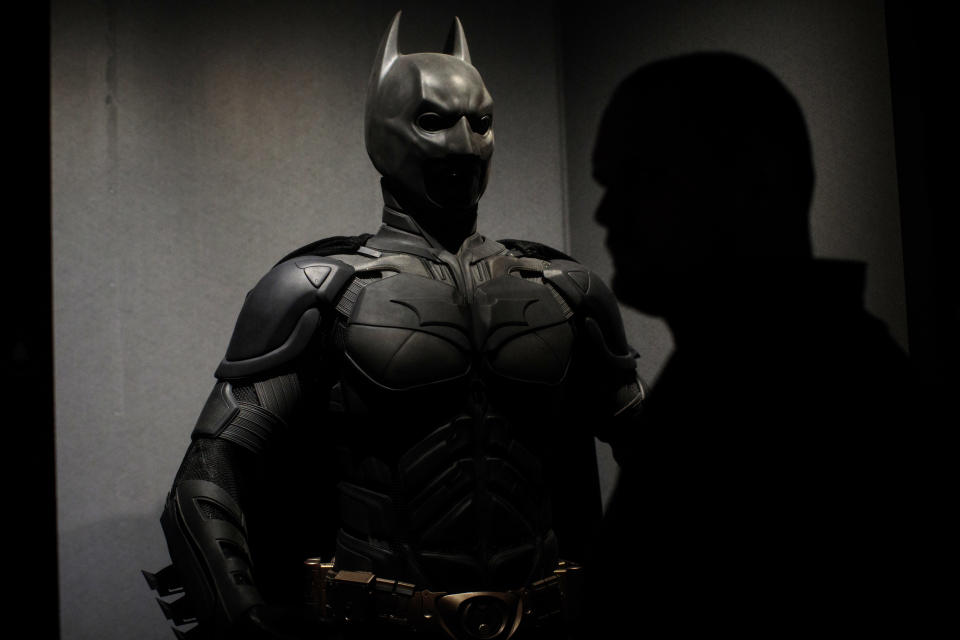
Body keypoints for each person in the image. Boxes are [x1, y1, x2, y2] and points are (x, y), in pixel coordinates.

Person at [145, 12, 643, 640]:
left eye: (480, 122)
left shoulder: (567, 289)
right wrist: (244, 617)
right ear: (383, 134)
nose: (463, 144)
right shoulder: (319, 291)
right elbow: (207, 482)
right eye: (433, 121)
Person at [590, 52, 917, 636]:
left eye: (639, 178)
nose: (605, 212)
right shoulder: (733, 377)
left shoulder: (817, 403)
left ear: (752, 179)